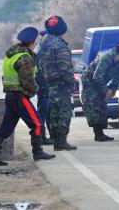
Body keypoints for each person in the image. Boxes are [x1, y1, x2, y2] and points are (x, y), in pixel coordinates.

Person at [0, 27, 55, 166]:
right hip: (20, 96)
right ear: (32, 42)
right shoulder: (25, 58)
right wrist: (37, 89)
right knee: (36, 124)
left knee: (6, 127)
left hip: (11, 96)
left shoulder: (12, 54)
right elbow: (28, 81)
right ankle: (38, 152)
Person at [39, 16, 77, 151]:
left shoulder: (44, 42)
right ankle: (61, 141)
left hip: (49, 82)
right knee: (65, 111)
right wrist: (71, 82)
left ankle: (54, 137)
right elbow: (65, 67)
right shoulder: (59, 44)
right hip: (61, 83)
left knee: (54, 110)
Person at [81, 43, 119, 142]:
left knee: (102, 105)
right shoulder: (106, 59)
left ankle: (100, 133)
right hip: (90, 82)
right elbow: (97, 77)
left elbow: (118, 77)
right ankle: (98, 134)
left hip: (100, 82)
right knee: (94, 106)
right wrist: (106, 90)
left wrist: (112, 90)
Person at [35, 30, 53, 145]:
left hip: (44, 85)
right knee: (43, 112)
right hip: (43, 85)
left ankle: (45, 136)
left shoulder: (40, 48)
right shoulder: (41, 50)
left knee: (47, 111)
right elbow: (40, 71)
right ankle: (41, 137)